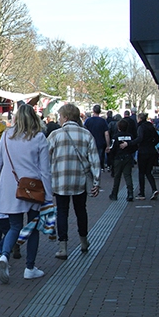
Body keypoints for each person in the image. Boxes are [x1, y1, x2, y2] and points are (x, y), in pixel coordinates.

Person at [0, 104, 52, 283]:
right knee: (32, 228)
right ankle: (30, 267)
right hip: (33, 188)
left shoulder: (7, 136)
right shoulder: (39, 137)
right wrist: (48, 195)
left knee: (14, 225)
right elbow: (45, 170)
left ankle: (4, 255)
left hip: (11, 187)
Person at [47, 103, 101, 260]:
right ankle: (84, 241)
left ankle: (63, 247)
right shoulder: (86, 134)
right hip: (80, 181)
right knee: (81, 211)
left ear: (65, 117)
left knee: (62, 212)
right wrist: (96, 181)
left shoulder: (55, 135)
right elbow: (94, 160)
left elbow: (45, 158)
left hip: (60, 180)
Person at [125, 112, 159, 201]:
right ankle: (154, 189)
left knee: (141, 172)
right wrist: (152, 144)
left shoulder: (140, 127)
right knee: (148, 172)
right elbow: (157, 138)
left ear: (139, 118)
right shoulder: (151, 126)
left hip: (143, 151)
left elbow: (140, 138)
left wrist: (130, 143)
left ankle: (142, 193)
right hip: (152, 151)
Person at [108, 118, 136, 202]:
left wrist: (111, 158)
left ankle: (114, 194)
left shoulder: (116, 136)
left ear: (118, 127)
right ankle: (130, 193)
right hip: (127, 157)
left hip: (118, 158)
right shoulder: (130, 136)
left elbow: (113, 148)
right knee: (128, 176)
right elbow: (134, 147)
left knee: (117, 177)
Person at [83, 104, 110, 171]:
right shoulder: (103, 121)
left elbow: (84, 131)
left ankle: (92, 168)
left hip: (90, 142)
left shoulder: (88, 121)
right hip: (101, 142)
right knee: (100, 156)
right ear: (100, 111)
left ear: (93, 111)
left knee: (90, 156)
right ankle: (100, 167)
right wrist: (108, 145)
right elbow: (106, 134)